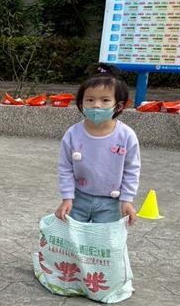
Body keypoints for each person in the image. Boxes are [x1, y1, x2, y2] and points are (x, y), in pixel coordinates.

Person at [56, 66, 140, 225]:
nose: (96, 105)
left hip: (111, 201)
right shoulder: (73, 134)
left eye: (105, 100)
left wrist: (127, 200)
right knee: (73, 237)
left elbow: (131, 170)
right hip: (78, 198)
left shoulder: (126, 136)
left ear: (119, 106)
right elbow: (65, 167)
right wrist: (67, 198)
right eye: (90, 99)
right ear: (81, 102)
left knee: (104, 239)